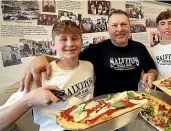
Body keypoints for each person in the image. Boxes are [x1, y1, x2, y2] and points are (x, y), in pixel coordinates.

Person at [20, 9, 157, 98]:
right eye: (115, 25)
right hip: (102, 106)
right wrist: (42, 58)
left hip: (132, 101)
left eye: (124, 24)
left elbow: (152, 68)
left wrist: (151, 74)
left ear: (129, 27)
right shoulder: (96, 49)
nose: (120, 29)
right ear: (107, 28)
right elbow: (69, 59)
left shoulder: (140, 48)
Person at [0, 20, 95, 131]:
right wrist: (29, 100)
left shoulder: (88, 66)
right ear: (52, 44)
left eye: (74, 38)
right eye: (63, 39)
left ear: (82, 42)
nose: (70, 44)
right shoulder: (39, 75)